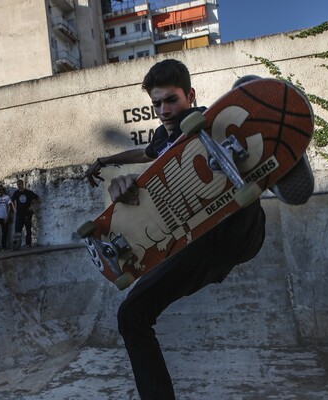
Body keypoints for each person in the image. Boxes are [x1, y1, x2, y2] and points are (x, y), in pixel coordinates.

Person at [83, 59, 274, 399]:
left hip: (238, 228)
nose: (164, 110)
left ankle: (277, 153)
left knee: (225, 158)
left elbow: (197, 131)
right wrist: (110, 164)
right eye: (156, 103)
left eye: (171, 100)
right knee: (132, 315)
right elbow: (145, 153)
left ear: (190, 95)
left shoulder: (208, 119)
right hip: (199, 248)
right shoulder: (161, 138)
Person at [11, 179, 39, 248]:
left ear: (23, 184)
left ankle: (28, 244)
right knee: (17, 230)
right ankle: (17, 245)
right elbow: (12, 201)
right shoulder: (16, 193)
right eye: (17, 184)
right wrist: (14, 209)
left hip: (27, 213)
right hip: (19, 214)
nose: (18, 186)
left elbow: (36, 197)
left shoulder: (28, 192)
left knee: (28, 229)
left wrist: (32, 206)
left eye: (19, 184)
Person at [0, 184, 15, 250]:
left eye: (1, 190)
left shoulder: (7, 197)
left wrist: (8, 217)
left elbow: (10, 207)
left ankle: (4, 246)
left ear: (3, 190)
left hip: (5, 217)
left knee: (5, 232)